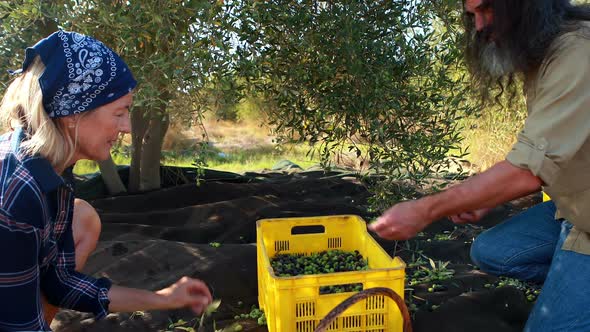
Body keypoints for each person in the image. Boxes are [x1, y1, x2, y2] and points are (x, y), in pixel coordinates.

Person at [369, 0, 590, 331]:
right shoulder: (543, 54)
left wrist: (425, 209)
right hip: (572, 212)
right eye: (472, 15)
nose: (479, 27)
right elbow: (543, 153)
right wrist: (484, 197)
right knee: (491, 251)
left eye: (488, 10)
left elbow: (527, 170)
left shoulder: (578, 52)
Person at [0, 30, 212, 331]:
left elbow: (59, 284)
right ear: (73, 113)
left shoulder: (49, 167)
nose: (127, 127)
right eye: (120, 112)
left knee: (83, 217)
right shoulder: (17, 193)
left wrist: (163, 298)